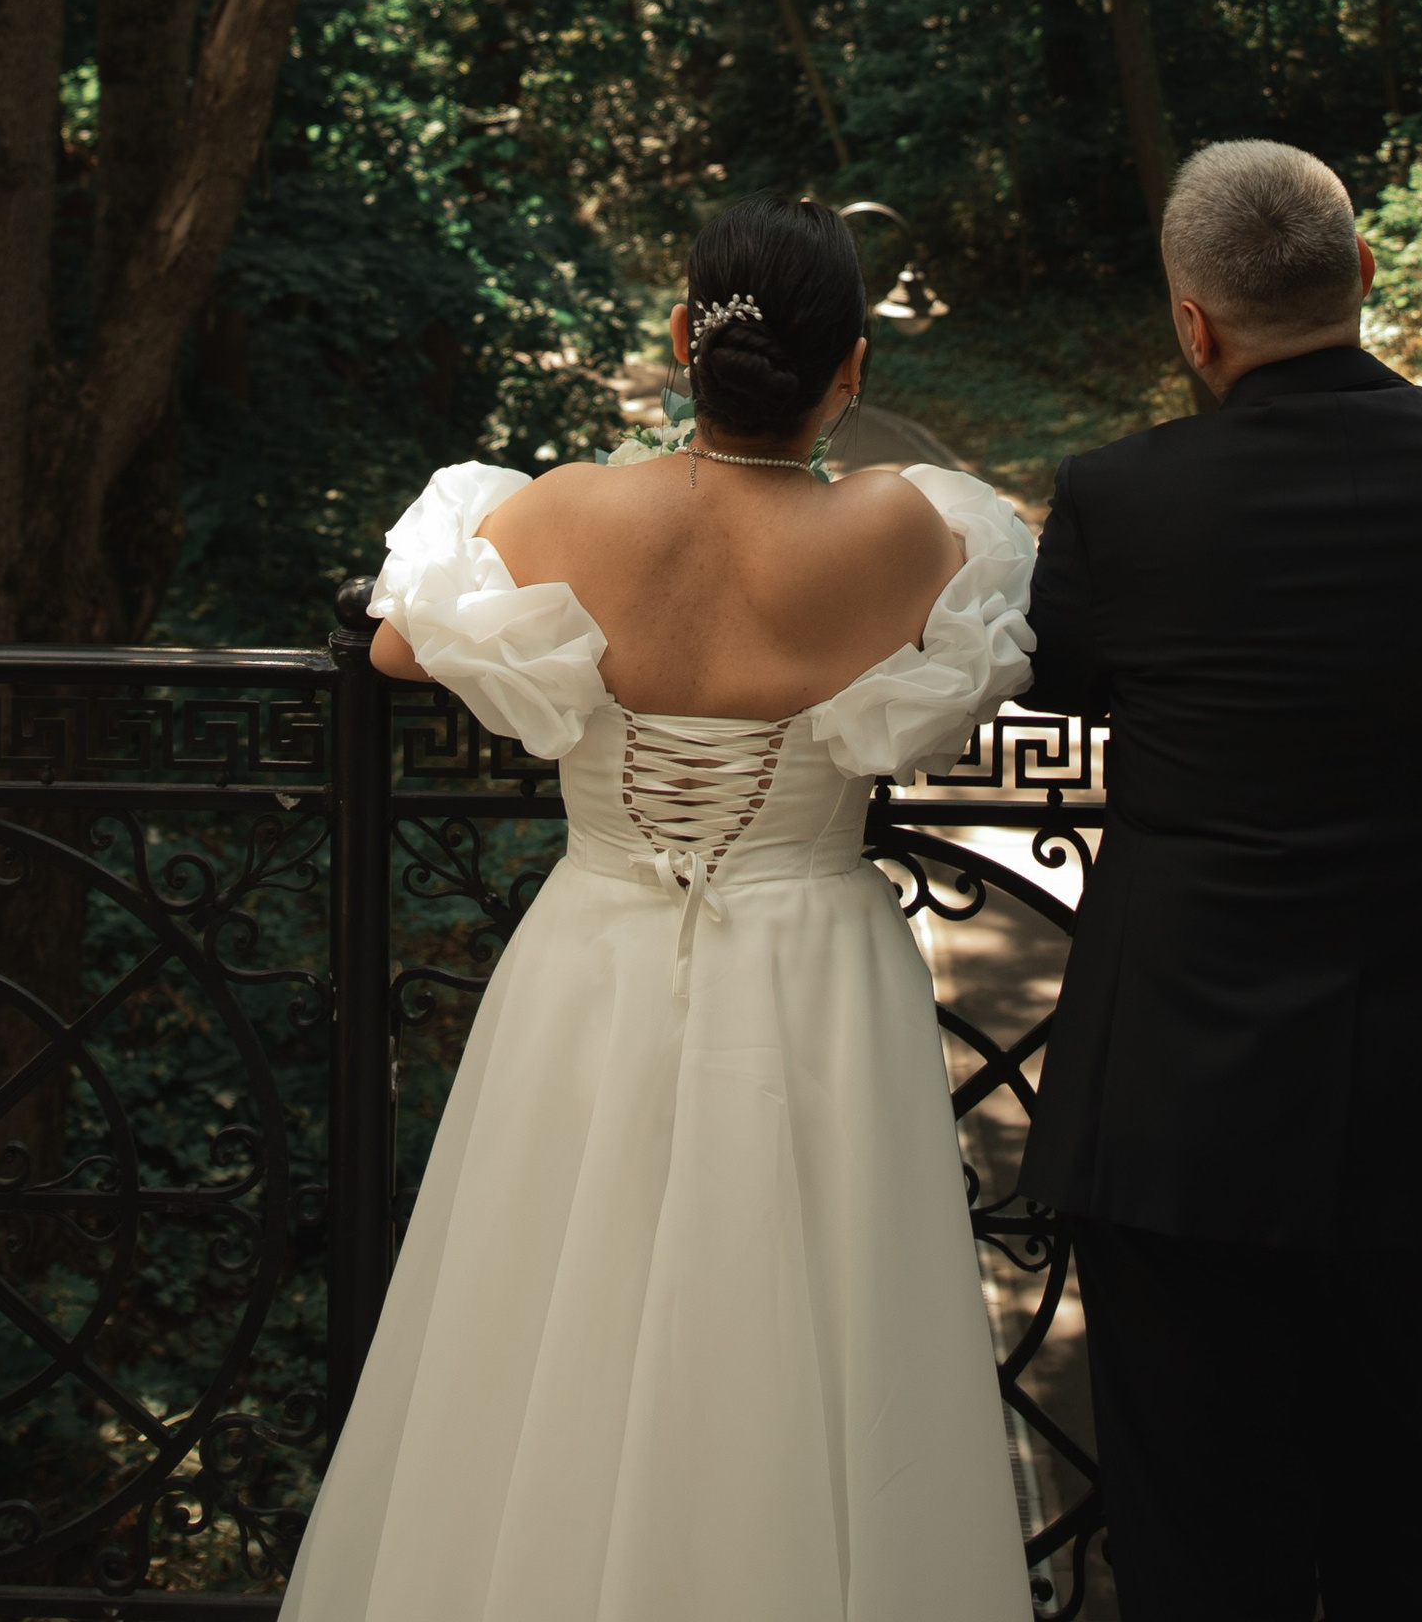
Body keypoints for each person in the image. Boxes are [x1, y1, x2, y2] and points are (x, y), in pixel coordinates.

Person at [281, 192, 1036, 1622]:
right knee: (813, 1332)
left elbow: (395, 644)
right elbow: (977, 648)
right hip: (816, 958)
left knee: (547, 1314)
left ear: (685, 338)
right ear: (851, 368)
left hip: (596, 945)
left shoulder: (569, 509)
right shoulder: (904, 527)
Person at [1020, 137, 1422, 1622]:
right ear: (1363, 274)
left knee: (1184, 1500)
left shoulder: (1119, 498)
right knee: (1394, 1469)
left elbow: (1075, 678)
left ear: (1193, 323)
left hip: (1178, 1082)